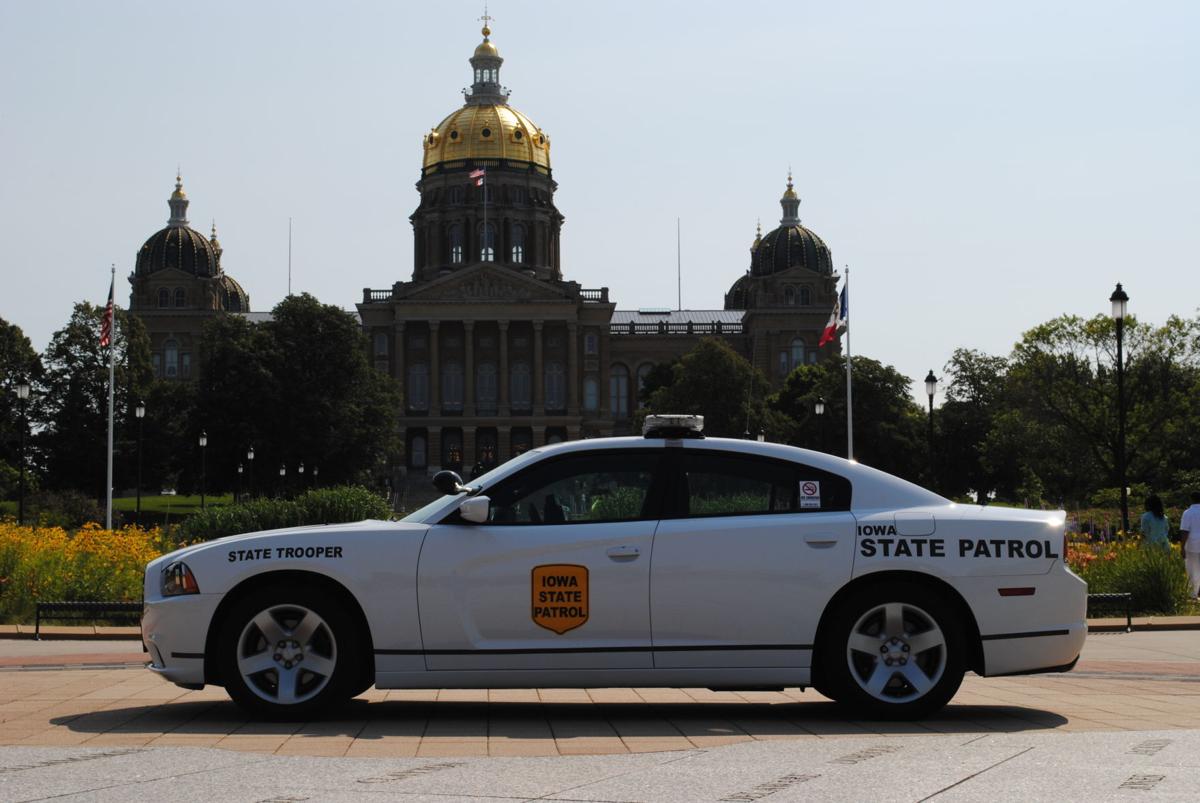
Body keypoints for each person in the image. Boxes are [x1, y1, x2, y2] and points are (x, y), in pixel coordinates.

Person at [1180, 491, 1200, 599]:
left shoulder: (1187, 513)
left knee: (1194, 570)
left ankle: (1193, 594)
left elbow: (1185, 530)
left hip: (1193, 544)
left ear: (1191, 499)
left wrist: (1182, 547)